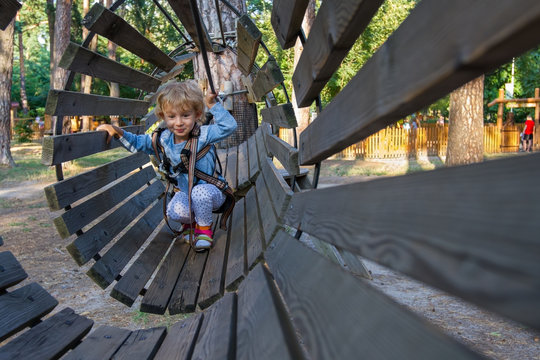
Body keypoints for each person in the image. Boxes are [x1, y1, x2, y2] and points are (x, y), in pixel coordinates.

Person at [97, 80, 237, 250]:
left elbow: (229, 126)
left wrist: (212, 104)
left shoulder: (204, 134)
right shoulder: (162, 139)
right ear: (163, 116)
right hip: (187, 194)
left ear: (197, 114)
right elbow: (138, 142)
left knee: (199, 193)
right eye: (171, 116)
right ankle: (190, 225)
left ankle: (204, 231)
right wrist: (118, 132)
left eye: (185, 115)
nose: (178, 123)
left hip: (211, 193)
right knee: (174, 209)